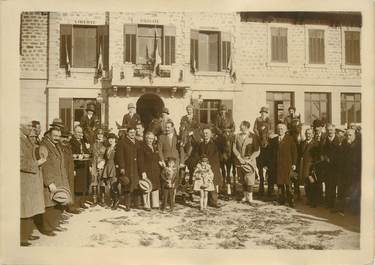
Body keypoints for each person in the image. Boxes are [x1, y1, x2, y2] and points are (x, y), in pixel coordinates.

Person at [40, 126, 71, 234]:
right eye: (55, 136)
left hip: (60, 179)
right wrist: (49, 182)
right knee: (50, 205)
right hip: (52, 180)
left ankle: (55, 224)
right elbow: (45, 165)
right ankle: (47, 228)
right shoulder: (44, 146)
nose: (57, 138)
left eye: (58, 136)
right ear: (49, 135)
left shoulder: (56, 145)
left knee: (58, 203)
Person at [20, 120, 46, 246]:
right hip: (24, 179)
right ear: (20, 125)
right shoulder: (18, 140)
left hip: (31, 178)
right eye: (28, 125)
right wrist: (37, 163)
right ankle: (22, 237)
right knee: (24, 208)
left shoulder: (26, 138)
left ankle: (27, 234)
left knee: (29, 208)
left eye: (31, 126)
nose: (31, 128)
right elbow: (19, 162)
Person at [269, 123, 297, 207]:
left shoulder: (290, 139)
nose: (280, 130)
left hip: (287, 165)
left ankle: (291, 201)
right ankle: (281, 200)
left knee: (288, 184)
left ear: (285, 130)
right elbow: (272, 154)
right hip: (277, 165)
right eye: (278, 129)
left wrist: (294, 164)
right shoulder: (274, 140)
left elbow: (294, 152)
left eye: (282, 129)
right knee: (280, 183)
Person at [233, 120, 260, 204]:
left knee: (250, 179)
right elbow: (234, 148)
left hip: (249, 161)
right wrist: (239, 157)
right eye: (241, 126)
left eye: (242, 126)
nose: (240, 127)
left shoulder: (253, 136)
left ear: (246, 127)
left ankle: (250, 197)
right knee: (242, 179)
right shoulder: (237, 136)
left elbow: (257, 150)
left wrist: (250, 158)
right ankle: (245, 196)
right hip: (239, 161)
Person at [116, 126, 141, 211]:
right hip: (127, 167)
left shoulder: (137, 142)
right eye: (131, 132)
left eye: (134, 132)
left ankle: (137, 204)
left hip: (136, 167)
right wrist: (122, 167)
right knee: (127, 185)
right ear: (127, 133)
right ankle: (127, 205)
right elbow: (120, 156)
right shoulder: (122, 142)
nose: (133, 134)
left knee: (136, 185)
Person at [199, 127, 222, 208]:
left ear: (210, 135)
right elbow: (199, 155)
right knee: (204, 183)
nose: (205, 135)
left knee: (213, 184)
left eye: (207, 133)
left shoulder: (214, 145)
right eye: (204, 133)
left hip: (213, 166)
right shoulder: (201, 144)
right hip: (203, 167)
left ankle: (214, 201)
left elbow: (214, 157)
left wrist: (208, 166)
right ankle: (207, 200)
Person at [321, 124, 342, 211]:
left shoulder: (339, 139)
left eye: (331, 130)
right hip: (327, 166)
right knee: (327, 184)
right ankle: (328, 203)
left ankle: (333, 204)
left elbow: (341, 153)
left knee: (333, 185)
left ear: (334, 131)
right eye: (328, 130)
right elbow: (322, 151)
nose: (330, 132)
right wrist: (325, 157)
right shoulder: (325, 140)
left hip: (335, 166)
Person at [138, 131, 161, 210]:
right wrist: (143, 171)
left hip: (155, 170)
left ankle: (155, 204)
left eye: (152, 138)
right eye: (148, 138)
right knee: (147, 186)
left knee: (155, 186)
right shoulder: (142, 148)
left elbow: (157, 157)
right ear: (145, 138)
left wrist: (160, 162)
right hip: (147, 170)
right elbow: (140, 161)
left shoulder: (154, 147)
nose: (150, 140)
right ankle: (146, 205)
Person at [340, 129, 361, 214]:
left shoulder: (358, 145)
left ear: (354, 135)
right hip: (346, 171)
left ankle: (354, 209)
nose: (348, 137)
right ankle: (349, 207)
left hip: (355, 171)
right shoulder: (345, 144)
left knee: (355, 190)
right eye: (347, 135)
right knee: (348, 189)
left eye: (350, 135)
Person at [59, 129, 80, 214]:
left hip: (70, 171)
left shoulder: (68, 146)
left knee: (70, 188)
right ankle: (61, 209)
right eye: (63, 137)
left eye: (66, 137)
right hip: (62, 171)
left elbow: (70, 159)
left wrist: (73, 169)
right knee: (62, 189)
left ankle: (70, 206)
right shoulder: (58, 147)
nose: (65, 139)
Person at [70, 125, 91, 209]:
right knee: (77, 185)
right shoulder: (71, 141)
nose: (80, 134)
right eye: (78, 132)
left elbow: (86, 152)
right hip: (77, 166)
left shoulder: (82, 141)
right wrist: (74, 168)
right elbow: (71, 156)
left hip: (84, 166)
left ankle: (82, 202)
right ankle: (75, 204)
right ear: (74, 132)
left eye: (81, 132)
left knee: (84, 184)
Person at [253, 106, 272, 196]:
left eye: (264, 112)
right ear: (260, 113)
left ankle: (270, 188)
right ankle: (261, 186)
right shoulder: (258, 120)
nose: (263, 113)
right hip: (259, 138)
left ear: (266, 113)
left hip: (267, 139)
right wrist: (258, 135)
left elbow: (271, 129)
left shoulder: (269, 120)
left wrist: (267, 134)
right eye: (262, 112)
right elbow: (254, 129)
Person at [298, 128, 319, 207]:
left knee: (312, 184)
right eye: (307, 133)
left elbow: (317, 157)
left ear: (312, 134)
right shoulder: (302, 143)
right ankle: (309, 199)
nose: (308, 135)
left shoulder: (316, 143)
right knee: (306, 183)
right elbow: (300, 154)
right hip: (304, 166)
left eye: (310, 133)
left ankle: (314, 201)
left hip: (312, 167)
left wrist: (314, 167)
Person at [90, 128, 106, 206]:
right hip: (94, 164)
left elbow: (107, 156)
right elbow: (90, 155)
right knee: (94, 181)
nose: (100, 135)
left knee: (102, 182)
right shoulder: (93, 144)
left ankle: (102, 200)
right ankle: (94, 200)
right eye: (98, 134)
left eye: (101, 134)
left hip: (102, 164)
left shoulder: (105, 144)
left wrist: (103, 162)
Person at [101, 133, 118, 207]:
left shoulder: (117, 147)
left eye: (112, 138)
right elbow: (105, 158)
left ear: (115, 139)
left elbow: (119, 158)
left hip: (114, 167)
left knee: (114, 184)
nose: (111, 140)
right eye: (109, 139)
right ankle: (112, 200)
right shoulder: (107, 148)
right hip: (107, 166)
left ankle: (116, 200)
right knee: (109, 185)